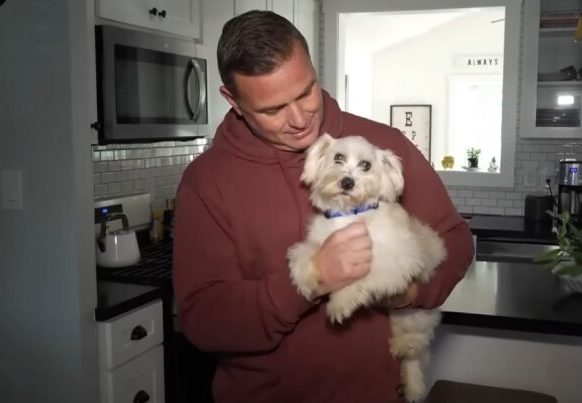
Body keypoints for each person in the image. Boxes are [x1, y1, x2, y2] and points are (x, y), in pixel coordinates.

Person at [173, 10, 474, 403]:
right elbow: (203, 320)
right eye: (273, 109)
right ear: (233, 99)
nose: (299, 119)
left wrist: (410, 292)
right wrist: (311, 280)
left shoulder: (383, 146)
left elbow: (457, 241)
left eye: (305, 92)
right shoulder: (207, 182)